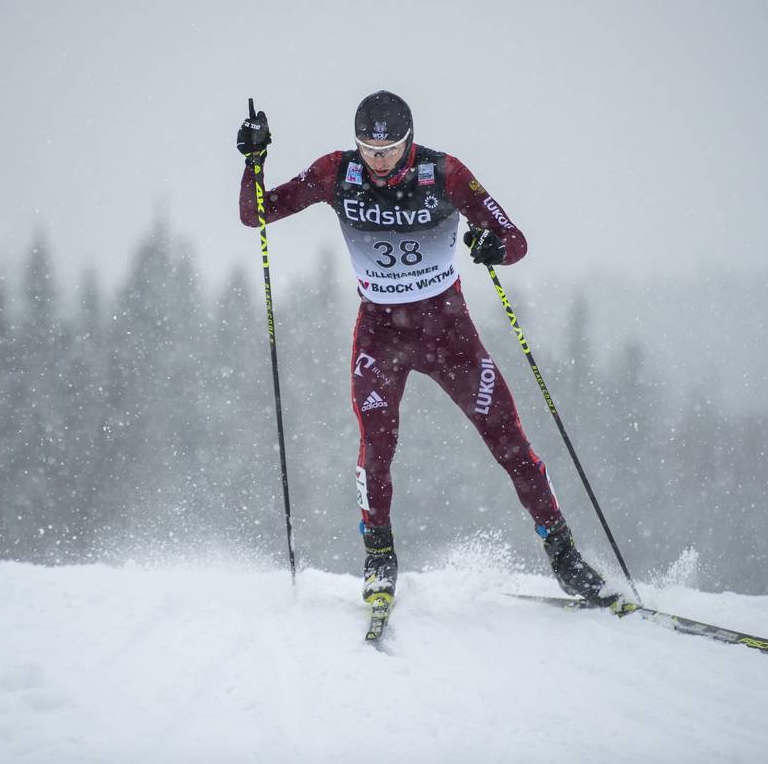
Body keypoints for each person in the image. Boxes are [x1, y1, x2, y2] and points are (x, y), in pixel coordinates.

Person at [236, 90, 617, 607]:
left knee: (508, 440)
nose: (378, 161)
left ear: (409, 142)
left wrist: (495, 247)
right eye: (368, 149)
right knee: (377, 447)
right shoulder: (335, 173)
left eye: (389, 149)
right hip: (380, 335)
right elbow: (256, 214)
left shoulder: (445, 174)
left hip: (448, 334)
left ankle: (565, 556)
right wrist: (253, 162)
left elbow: (514, 238)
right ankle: (379, 559)